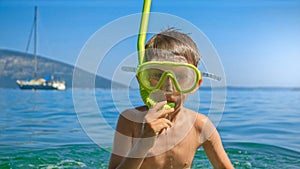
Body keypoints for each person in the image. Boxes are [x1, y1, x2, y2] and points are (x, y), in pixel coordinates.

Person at [108, 29, 233, 169]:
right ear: (142, 80)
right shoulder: (130, 120)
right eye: (157, 75)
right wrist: (143, 144)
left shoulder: (200, 125)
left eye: (180, 77)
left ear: (194, 84)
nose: (168, 87)